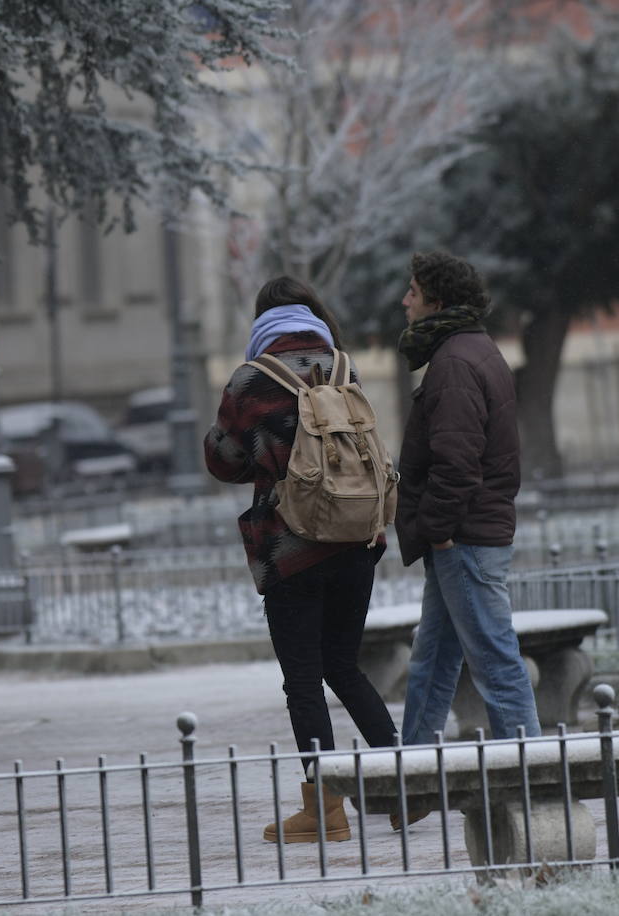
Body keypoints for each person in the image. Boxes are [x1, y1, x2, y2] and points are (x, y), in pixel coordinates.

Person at [204, 276, 398, 844]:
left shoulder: (251, 380)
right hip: (358, 539)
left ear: (263, 324)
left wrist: (262, 454)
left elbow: (224, 460)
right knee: (345, 665)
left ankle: (325, 809)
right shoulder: (344, 367)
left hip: (293, 550)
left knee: (303, 681)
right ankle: (407, 785)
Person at [394, 251, 541, 756]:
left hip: (464, 538)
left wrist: (435, 528)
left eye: (413, 291)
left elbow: (457, 464)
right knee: (432, 661)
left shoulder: (455, 363)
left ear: (437, 299)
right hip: (462, 536)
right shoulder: (470, 350)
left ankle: (533, 775)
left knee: (495, 664)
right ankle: (410, 776)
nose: (404, 301)